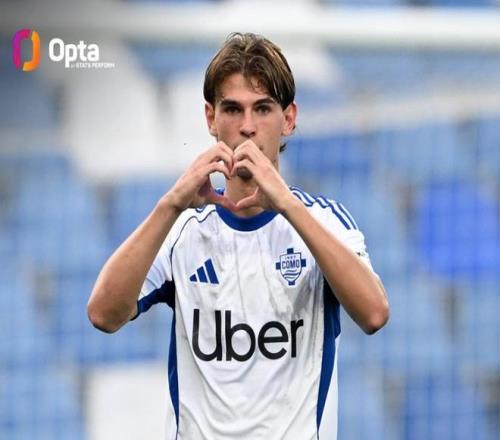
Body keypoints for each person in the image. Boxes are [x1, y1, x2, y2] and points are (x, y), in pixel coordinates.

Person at [87, 32, 389, 440]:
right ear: (211, 119)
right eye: (232, 109)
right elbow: (102, 315)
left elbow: (374, 314)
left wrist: (287, 206)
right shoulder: (182, 232)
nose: (247, 127)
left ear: (289, 119)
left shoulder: (323, 222)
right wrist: (170, 205)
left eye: (262, 108)